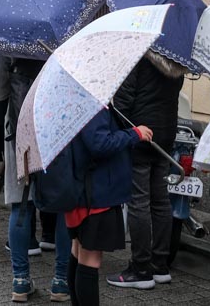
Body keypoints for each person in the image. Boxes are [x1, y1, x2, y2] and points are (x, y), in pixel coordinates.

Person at [0, 55, 72, 302]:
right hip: (59, 123)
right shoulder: (65, 26)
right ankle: (60, 281)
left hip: (19, 126)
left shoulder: (8, 30)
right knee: (63, 204)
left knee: (20, 202)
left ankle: (21, 281)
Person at [108, 50, 187, 289]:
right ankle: (160, 265)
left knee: (139, 201)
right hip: (165, 134)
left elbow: (122, 103)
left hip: (140, 134)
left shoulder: (138, 57)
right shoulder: (177, 59)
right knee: (161, 200)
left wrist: (122, 133)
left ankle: (140, 268)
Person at [63, 108, 153, 306]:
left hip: (83, 190)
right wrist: (134, 134)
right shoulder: (93, 103)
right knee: (89, 261)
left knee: (78, 252)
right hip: (96, 195)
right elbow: (100, 143)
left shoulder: (78, 99)